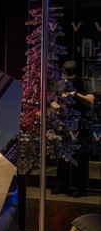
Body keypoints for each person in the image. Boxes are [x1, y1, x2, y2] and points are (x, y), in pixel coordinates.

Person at [51, 60, 94, 197]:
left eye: (71, 78)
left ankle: (82, 187)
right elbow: (52, 101)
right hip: (64, 123)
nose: (69, 80)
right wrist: (58, 104)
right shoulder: (60, 83)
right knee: (62, 156)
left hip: (81, 124)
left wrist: (75, 94)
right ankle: (61, 185)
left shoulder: (84, 83)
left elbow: (90, 101)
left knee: (81, 157)